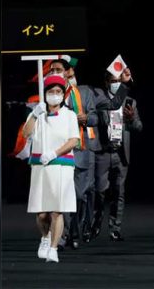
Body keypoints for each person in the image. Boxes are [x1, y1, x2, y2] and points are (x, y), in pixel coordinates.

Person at [20, 74, 79, 263]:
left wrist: (54, 153)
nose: (55, 95)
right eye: (51, 91)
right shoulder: (37, 113)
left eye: (58, 92)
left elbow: (73, 140)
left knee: (57, 210)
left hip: (61, 165)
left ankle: (53, 248)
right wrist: (35, 115)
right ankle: (45, 237)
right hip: (40, 166)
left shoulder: (69, 115)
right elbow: (26, 133)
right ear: (45, 94)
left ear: (63, 94)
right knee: (42, 212)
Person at [46, 56, 98, 250]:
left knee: (79, 196)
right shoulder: (50, 95)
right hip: (59, 152)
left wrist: (85, 118)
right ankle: (65, 234)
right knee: (61, 197)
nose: (54, 73)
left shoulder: (83, 93)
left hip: (81, 150)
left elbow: (95, 117)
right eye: (52, 70)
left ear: (68, 72)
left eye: (58, 69)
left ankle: (76, 230)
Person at [90, 68, 141, 241]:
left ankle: (115, 228)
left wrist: (131, 119)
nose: (116, 84)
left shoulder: (130, 102)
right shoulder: (99, 100)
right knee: (99, 191)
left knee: (119, 192)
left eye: (118, 81)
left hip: (121, 153)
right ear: (106, 83)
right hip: (103, 152)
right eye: (112, 81)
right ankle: (95, 223)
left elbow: (139, 127)